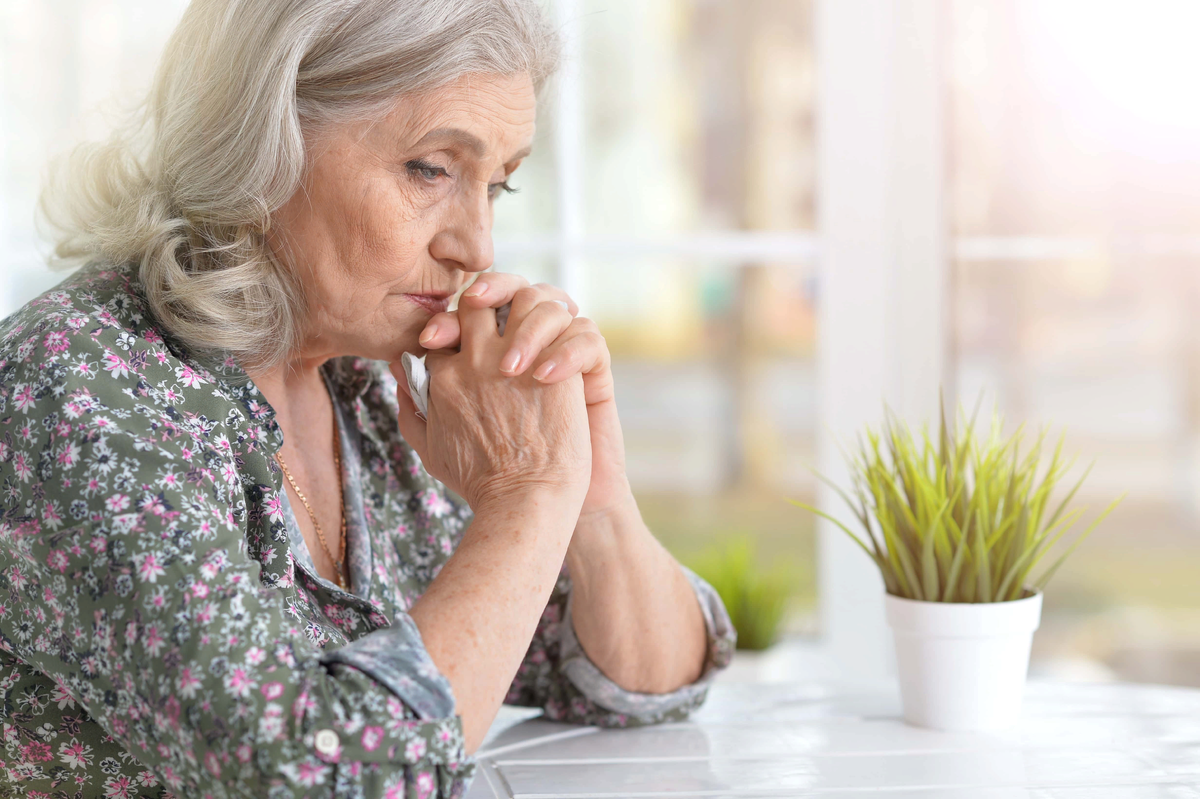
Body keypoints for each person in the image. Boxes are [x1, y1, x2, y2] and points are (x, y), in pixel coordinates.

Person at [0, 0, 735, 796]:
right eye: (431, 169)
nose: (477, 246)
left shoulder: (369, 385)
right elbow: (320, 776)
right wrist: (529, 494)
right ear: (260, 143)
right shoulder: (73, 387)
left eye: (499, 184)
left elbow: (639, 679)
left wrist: (589, 496)